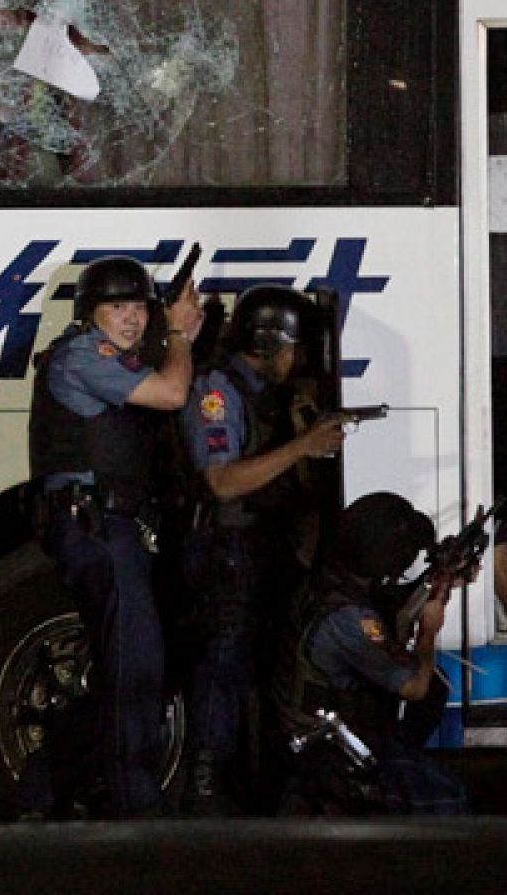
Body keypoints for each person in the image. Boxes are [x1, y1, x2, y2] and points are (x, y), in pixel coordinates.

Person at [24, 255, 204, 818]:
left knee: (124, 666)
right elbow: (173, 394)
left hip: (111, 527)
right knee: (134, 668)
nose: (131, 318)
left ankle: (42, 788)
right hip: (95, 525)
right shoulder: (85, 355)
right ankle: (136, 807)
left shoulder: (119, 359)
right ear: (89, 313)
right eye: (117, 307)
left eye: (139, 307)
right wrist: (176, 333)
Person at [175, 285, 347, 814]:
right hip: (228, 549)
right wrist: (302, 445)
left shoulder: (266, 393)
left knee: (256, 671)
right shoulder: (217, 392)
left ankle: (250, 784)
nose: (296, 362)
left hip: (259, 547)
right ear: (271, 343)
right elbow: (222, 481)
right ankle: (204, 783)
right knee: (223, 668)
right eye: (293, 350)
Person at [273, 491, 468, 816]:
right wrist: (429, 630)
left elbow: (393, 612)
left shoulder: (326, 584)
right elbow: (414, 687)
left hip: (319, 733)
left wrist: (440, 585)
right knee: (449, 799)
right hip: (329, 747)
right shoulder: (351, 619)